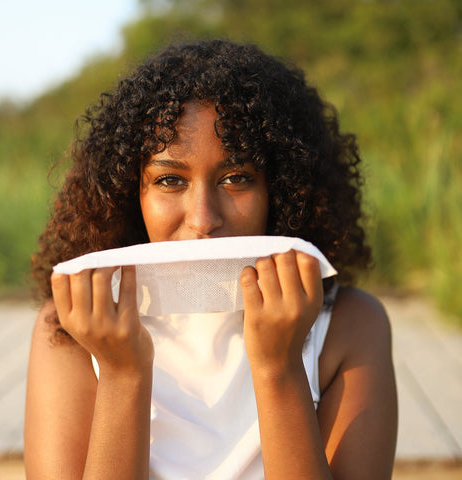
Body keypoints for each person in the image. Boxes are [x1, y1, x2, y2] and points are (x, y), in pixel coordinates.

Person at [25, 39, 397, 479]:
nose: (203, 219)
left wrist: (279, 368)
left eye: (236, 178)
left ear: (280, 189)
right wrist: (122, 375)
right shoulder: (77, 326)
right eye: (169, 180)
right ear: (129, 193)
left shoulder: (348, 326)